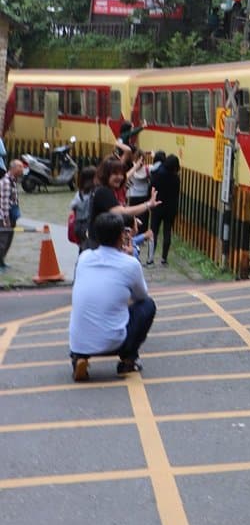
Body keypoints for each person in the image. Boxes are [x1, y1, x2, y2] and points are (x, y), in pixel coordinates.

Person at [68, 211, 157, 381]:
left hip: (80, 342)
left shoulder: (84, 258)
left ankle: (78, 358)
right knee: (147, 305)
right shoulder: (130, 264)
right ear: (121, 235)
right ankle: (128, 359)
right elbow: (141, 296)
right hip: (114, 342)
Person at [88, 158, 160, 243]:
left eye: (121, 174)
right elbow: (122, 212)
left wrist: (136, 167)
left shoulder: (102, 189)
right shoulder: (103, 192)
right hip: (98, 243)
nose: (120, 177)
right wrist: (148, 204)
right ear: (106, 174)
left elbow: (126, 177)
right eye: (115, 173)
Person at [150, 153, 180, 266]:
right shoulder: (176, 179)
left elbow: (152, 187)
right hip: (170, 209)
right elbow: (176, 194)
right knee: (167, 232)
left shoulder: (158, 175)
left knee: (153, 232)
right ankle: (164, 259)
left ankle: (150, 258)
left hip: (157, 206)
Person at [0, 159, 25, 271]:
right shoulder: (6, 182)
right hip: (5, 216)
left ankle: (2, 261)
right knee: (3, 240)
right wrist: (6, 219)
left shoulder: (13, 180)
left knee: (8, 239)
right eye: (20, 167)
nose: (22, 169)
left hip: (11, 215)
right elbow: (4, 202)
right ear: (13, 168)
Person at [69, 165, 96, 256]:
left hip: (78, 225)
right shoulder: (94, 193)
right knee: (89, 248)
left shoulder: (79, 193)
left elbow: (73, 206)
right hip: (89, 226)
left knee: (82, 247)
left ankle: (81, 263)